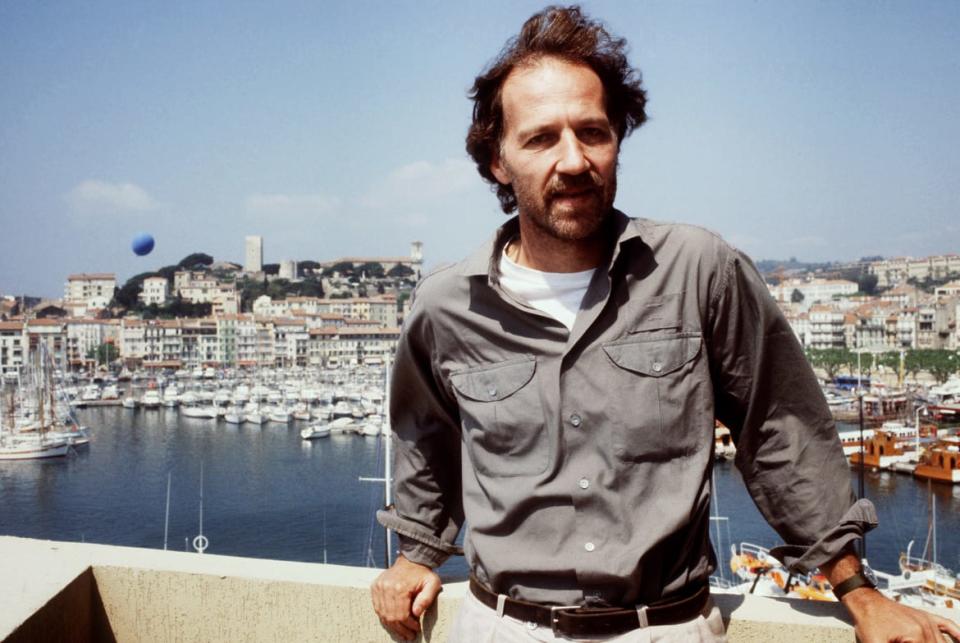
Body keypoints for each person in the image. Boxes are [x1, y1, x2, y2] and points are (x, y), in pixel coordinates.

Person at [370, 5, 960, 642]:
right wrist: (418, 551)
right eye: (541, 139)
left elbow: (778, 430)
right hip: (501, 628)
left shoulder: (698, 269)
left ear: (617, 139)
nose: (573, 160)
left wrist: (860, 594)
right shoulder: (446, 304)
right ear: (498, 162)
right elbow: (426, 436)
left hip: (664, 630)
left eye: (592, 133)